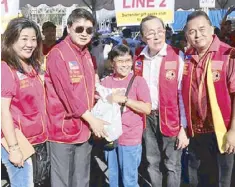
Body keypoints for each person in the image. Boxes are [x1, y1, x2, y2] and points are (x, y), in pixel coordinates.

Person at [182, 11, 235, 187]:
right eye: (192, 31)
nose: (197, 35)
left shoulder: (228, 54)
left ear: (212, 29)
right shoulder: (187, 57)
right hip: (196, 133)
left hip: (222, 132)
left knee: (223, 180)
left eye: (202, 29)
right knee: (199, 180)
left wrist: (234, 131)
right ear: (187, 35)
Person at [45, 8, 108, 187]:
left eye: (89, 30)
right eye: (79, 29)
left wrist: (103, 96)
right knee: (62, 182)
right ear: (69, 28)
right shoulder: (58, 53)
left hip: (84, 127)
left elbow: (88, 88)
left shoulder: (86, 53)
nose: (84, 33)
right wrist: (92, 120)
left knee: (82, 180)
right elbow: (68, 95)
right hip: (63, 128)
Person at [134, 15, 189, 187]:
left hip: (171, 117)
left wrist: (183, 127)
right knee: (152, 161)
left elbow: (182, 94)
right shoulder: (138, 58)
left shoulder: (177, 56)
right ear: (143, 37)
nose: (157, 36)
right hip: (147, 117)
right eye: (151, 33)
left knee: (172, 164)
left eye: (160, 31)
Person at [1, 17, 48, 187]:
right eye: (24, 39)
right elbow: (3, 112)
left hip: (36, 140)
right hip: (18, 141)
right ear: (11, 40)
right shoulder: (6, 69)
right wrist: (14, 149)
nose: (30, 44)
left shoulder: (32, 65)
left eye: (33, 39)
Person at [101, 44, 151, 187]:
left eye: (128, 60)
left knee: (129, 180)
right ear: (112, 63)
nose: (125, 65)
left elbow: (147, 108)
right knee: (114, 179)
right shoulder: (105, 82)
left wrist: (125, 100)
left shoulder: (138, 81)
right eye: (120, 61)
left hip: (130, 138)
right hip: (110, 137)